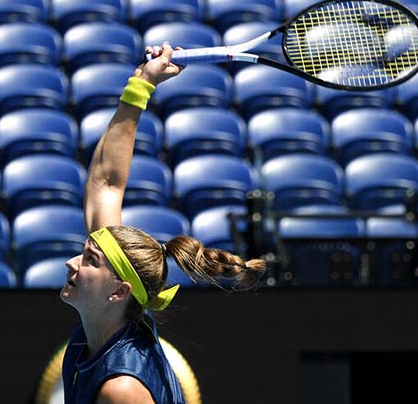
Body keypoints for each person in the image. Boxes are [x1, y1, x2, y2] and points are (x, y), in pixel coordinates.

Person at [60, 43, 266, 403]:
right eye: (85, 253)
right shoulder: (110, 326)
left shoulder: (120, 388)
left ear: (120, 291)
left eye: (90, 260)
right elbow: (106, 182)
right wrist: (141, 83)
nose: (71, 262)